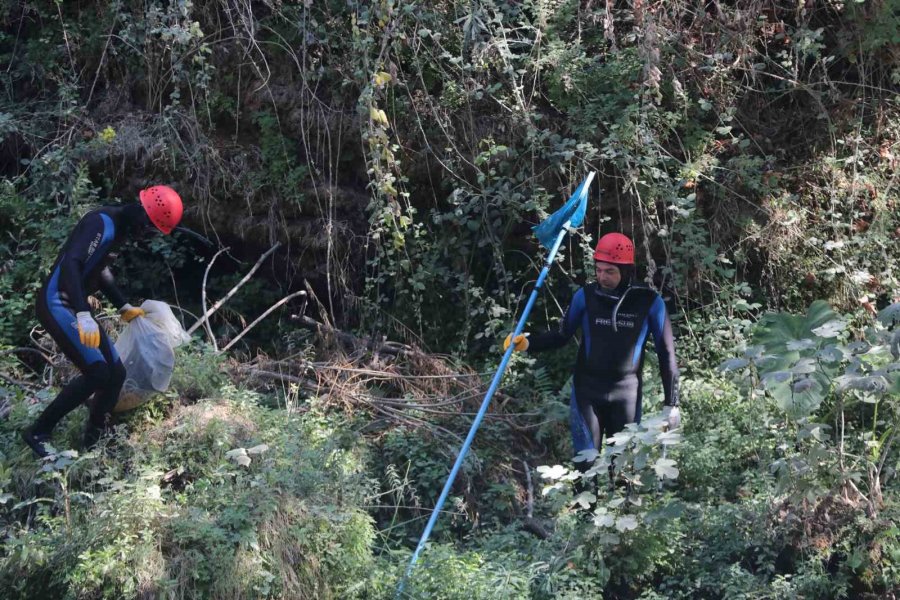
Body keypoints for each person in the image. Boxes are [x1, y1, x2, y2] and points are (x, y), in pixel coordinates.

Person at [22, 185, 184, 457]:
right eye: (149, 227)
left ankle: (95, 440)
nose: (146, 234)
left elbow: (101, 271)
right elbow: (72, 264)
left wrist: (123, 306)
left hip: (75, 306)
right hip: (57, 303)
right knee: (97, 372)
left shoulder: (119, 231)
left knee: (116, 373)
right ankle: (38, 431)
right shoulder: (101, 222)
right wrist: (83, 313)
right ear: (142, 213)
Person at [505, 232, 680, 461]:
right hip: (587, 391)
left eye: (610, 271)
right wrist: (528, 343)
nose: (602, 277)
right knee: (585, 469)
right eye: (598, 270)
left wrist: (672, 404)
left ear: (626, 271)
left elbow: (666, 354)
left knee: (623, 472)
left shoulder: (648, 302)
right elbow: (561, 334)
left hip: (626, 394)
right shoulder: (586, 296)